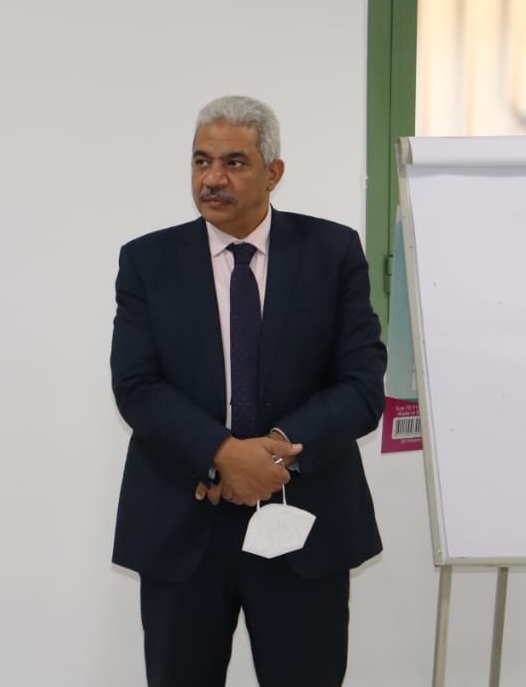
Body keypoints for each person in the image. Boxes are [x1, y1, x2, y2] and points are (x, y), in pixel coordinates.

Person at [109, 95, 385, 687]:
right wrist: (223, 454)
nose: (213, 178)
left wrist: (276, 452)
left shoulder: (332, 252)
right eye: (201, 161)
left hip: (303, 523)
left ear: (273, 172)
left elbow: (362, 385)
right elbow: (136, 385)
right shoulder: (147, 261)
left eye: (234, 162)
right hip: (183, 523)